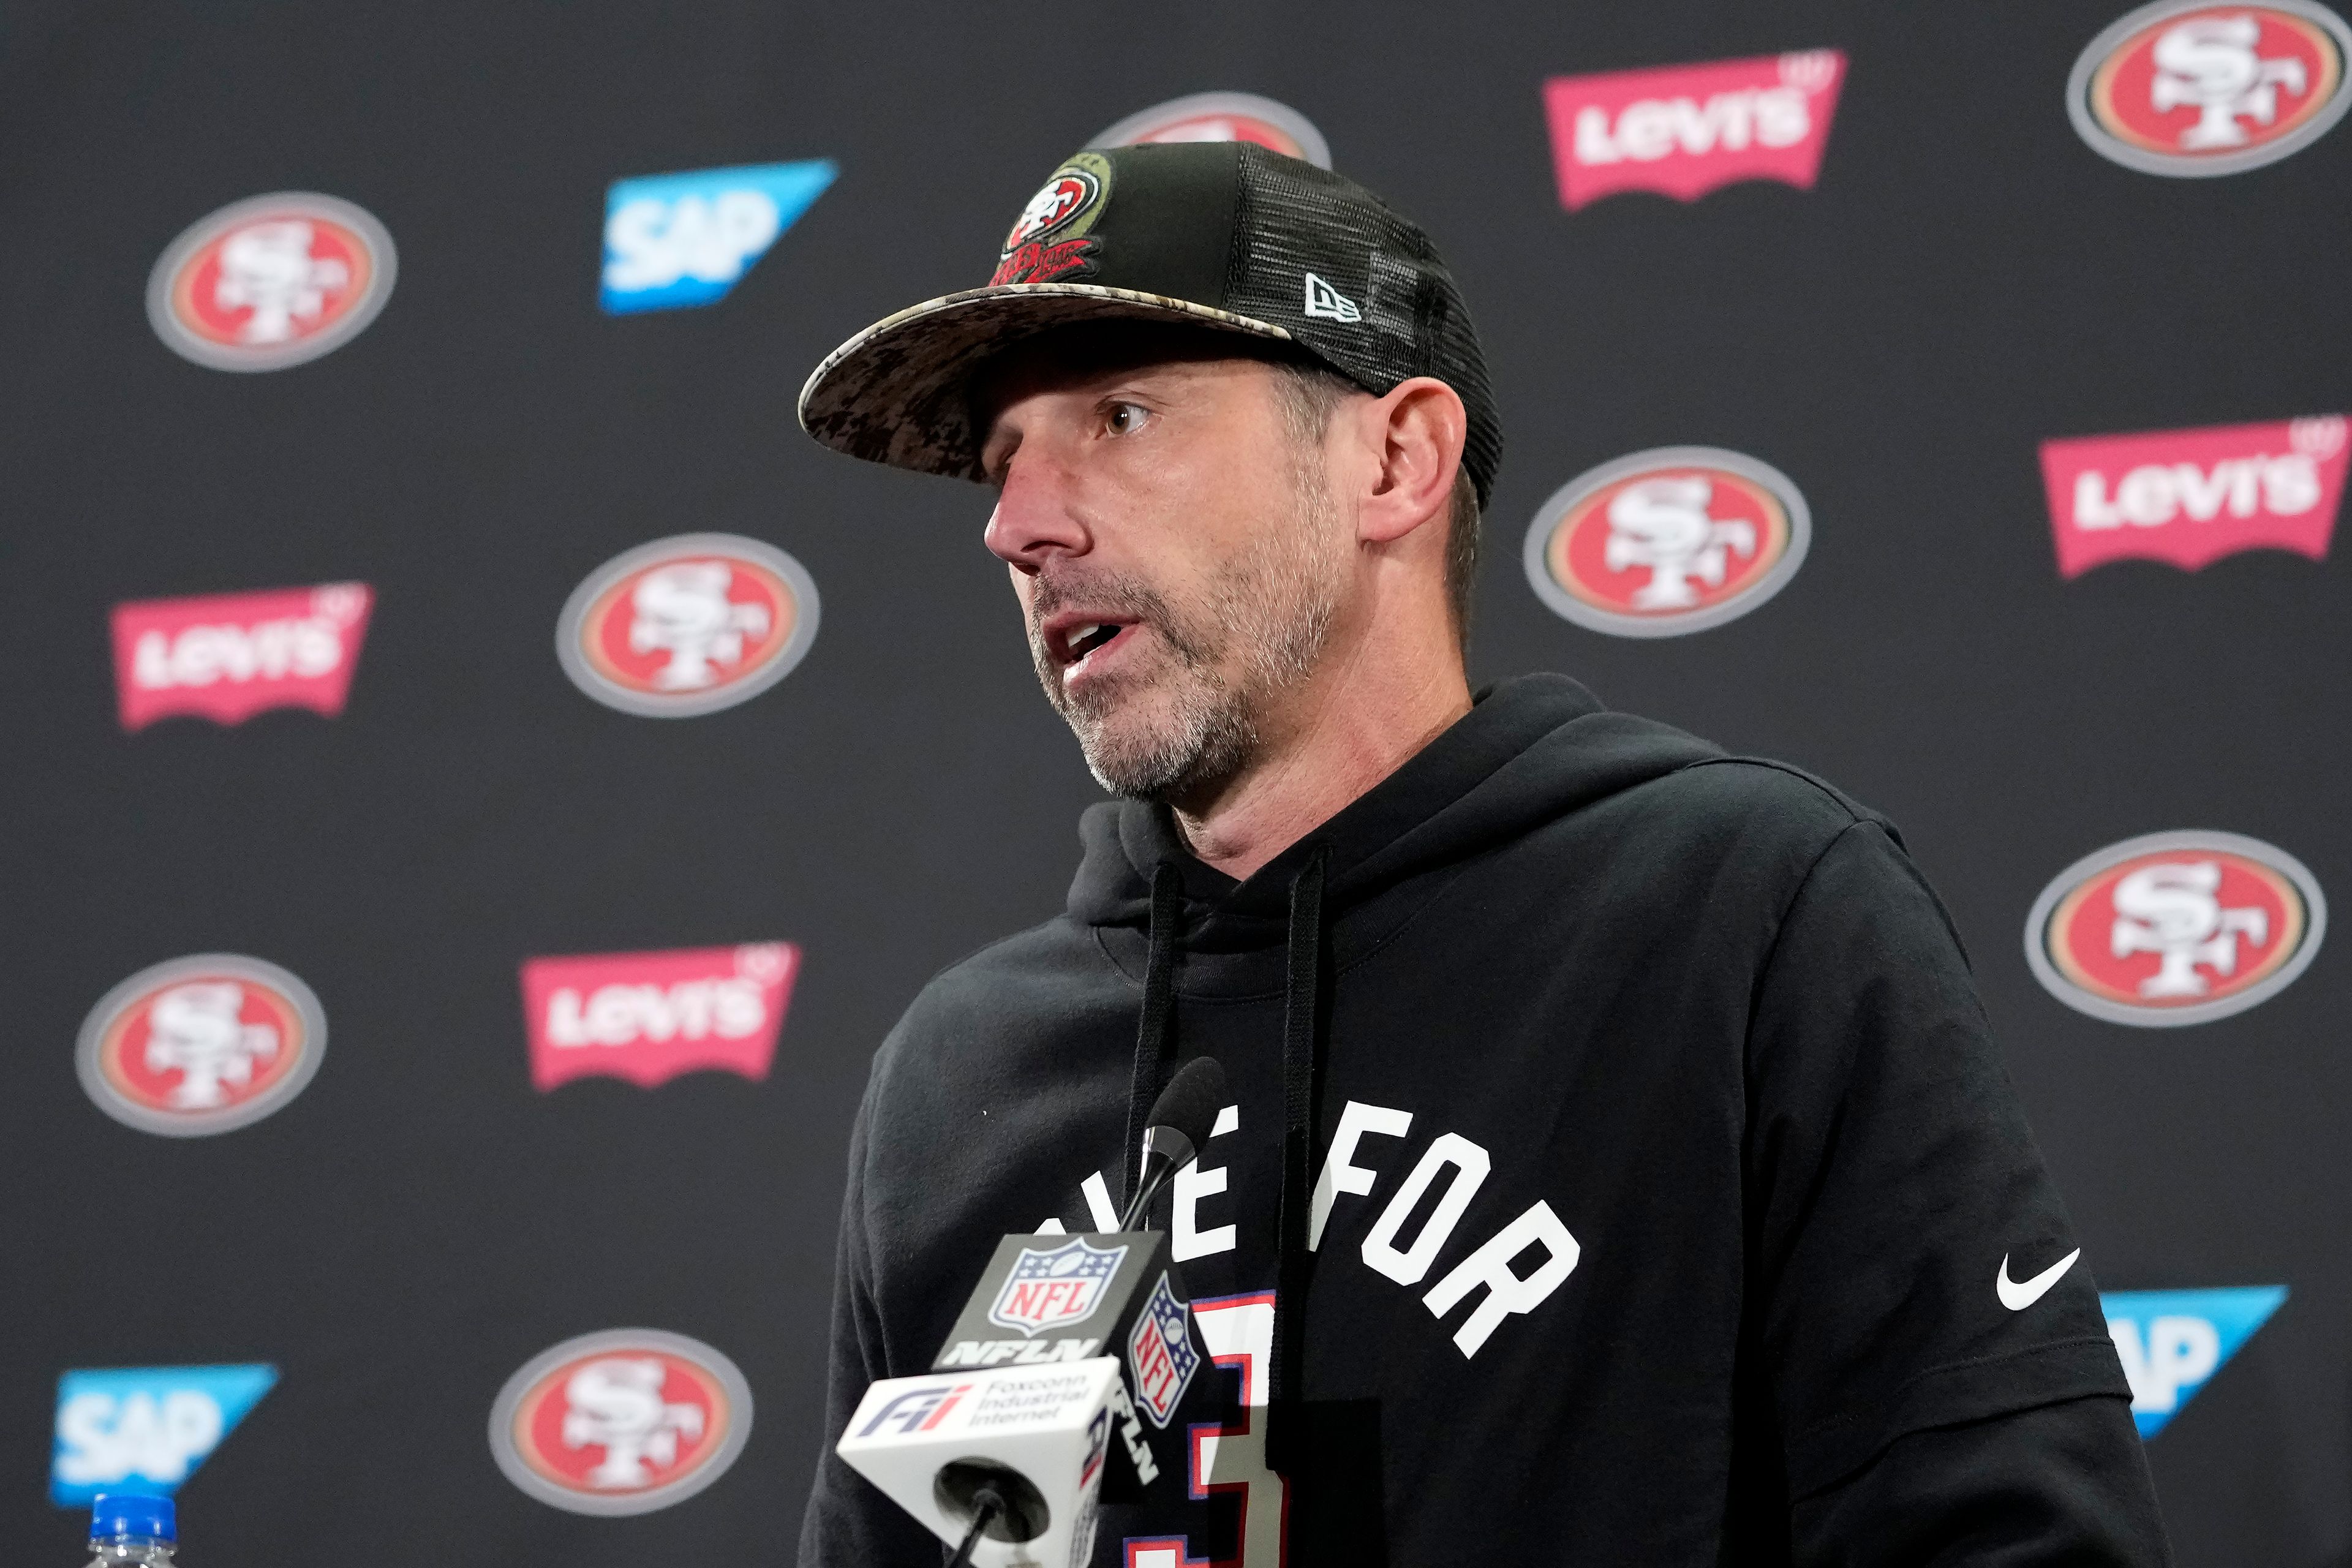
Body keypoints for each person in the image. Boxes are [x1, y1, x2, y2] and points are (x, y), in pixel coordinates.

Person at [794, 141, 2170, 1565]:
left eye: (1124, 417)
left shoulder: (1742, 916)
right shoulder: (958, 1074)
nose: (1019, 527)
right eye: (1004, 462)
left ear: (1396, 458)